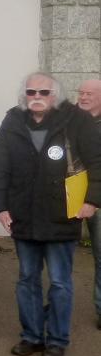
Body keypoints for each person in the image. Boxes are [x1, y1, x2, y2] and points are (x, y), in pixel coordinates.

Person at [0, 72, 101, 356]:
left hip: (62, 214)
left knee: (61, 282)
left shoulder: (77, 120)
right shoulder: (13, 120)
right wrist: (0, 206)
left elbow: (97, 162)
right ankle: (31, 336)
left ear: (56, 95)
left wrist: (92, 201)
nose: (36, 97)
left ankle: (57, 340)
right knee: (27, 279)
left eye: (43, 92)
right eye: (31, 92)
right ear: (23, 95)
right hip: (23, 215)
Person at [75, 77, 101, 330]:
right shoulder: (69, 122)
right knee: (60, 254)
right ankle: (57, 302)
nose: (83, 97)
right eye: (81, 93)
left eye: (89, 94)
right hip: (69, 197)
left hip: (99, 199)